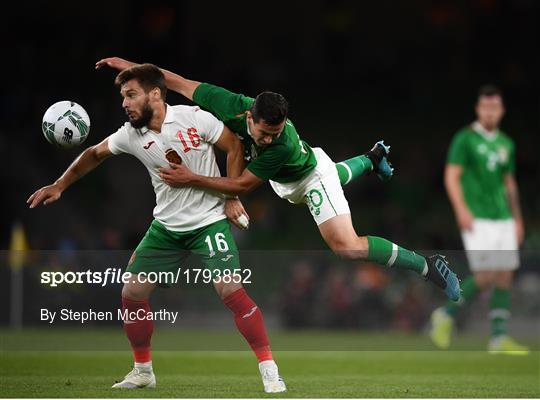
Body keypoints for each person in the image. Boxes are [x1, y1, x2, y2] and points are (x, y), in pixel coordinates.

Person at [96, 57, 461, 302]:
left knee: (346, 245)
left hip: (310, 178)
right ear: (250, 115)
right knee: (322, 175)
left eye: (277, 132)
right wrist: (130, 68)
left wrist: (191, 178)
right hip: (291, 180)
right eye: (265, 132)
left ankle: (427, 266)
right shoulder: (228, 103)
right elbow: (175, 81)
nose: (269, 138)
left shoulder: (279, 146)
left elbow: (239, 188)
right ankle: (372, 158)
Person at [27, 64, 287, 392]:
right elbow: (93, 154)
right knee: (132, 293)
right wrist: (60, 185)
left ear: (155, 94)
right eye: (123, 96)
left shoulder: (195, 117)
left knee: (231, 291)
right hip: (166, 227)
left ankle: (269, 368)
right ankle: (143, 371)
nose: (125, 102)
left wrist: (231, 195)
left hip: (208, 222)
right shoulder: (130, 135)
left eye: (132, 94)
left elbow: (234, 146)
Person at [430, 85, 529, 355]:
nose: (490, 112)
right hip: (479, 217)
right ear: (478, 109)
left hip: (504, 218)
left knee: (505, 274)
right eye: (485, 107)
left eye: (494, 107)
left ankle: (498, 338)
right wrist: (461, 209)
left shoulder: (506, 143)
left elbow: (509, 183)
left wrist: (518, 219)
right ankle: (445, 314)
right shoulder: (465, 139)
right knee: (486, 275)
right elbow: (451, 175)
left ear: (502, 110)